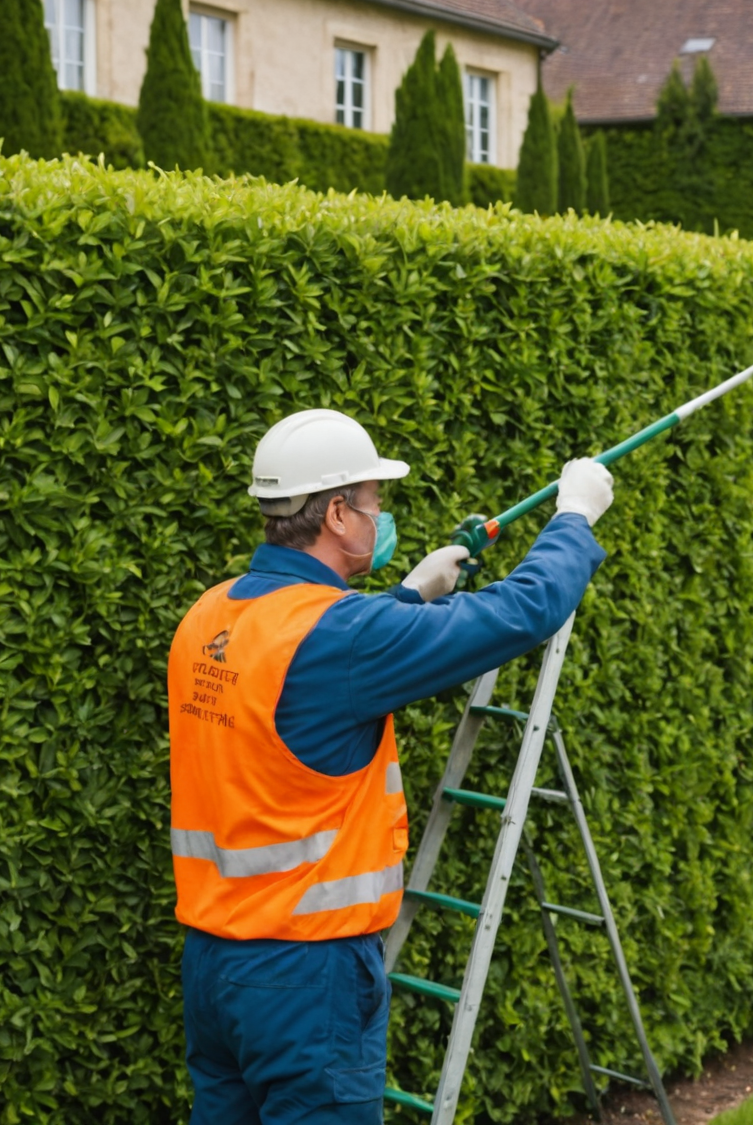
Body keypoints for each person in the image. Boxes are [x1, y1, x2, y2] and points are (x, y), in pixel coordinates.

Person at [167, 408, 614, 1124]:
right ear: (338, 514)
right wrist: (573, 519)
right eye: (375, 504)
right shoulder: (341, 635)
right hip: (306, 975)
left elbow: (307, 679)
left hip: (214, 967)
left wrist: (411, 594)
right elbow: (521, 614)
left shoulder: (210, 616)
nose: (382, 516)